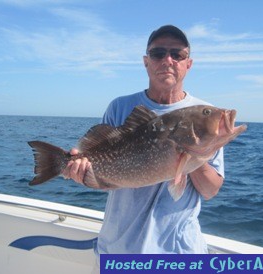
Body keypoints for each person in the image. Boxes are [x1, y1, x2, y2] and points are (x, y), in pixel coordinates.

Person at [64, 25, 224, 256]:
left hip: (179, 252)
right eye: (158, 53)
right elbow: (109, 174)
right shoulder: (119, 107)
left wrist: (190, 153)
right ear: (146, 61)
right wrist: (82, 172)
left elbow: (210, 191)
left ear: (188, 64)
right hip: (119, 248)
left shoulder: (204, 115)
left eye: (177, 54)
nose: (167, 60)